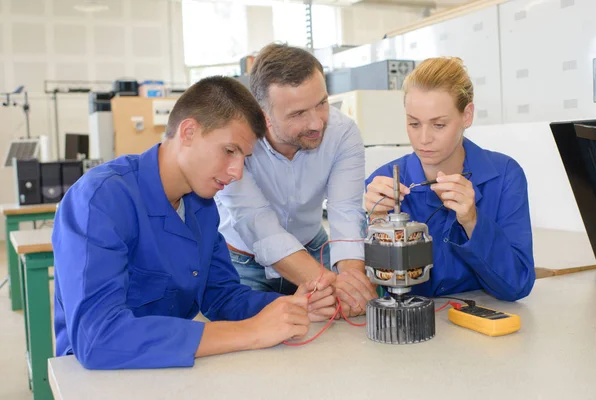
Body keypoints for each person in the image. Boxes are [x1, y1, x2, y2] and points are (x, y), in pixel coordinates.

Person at [52, 76, 336, 370]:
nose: (237, 172)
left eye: (244, 158)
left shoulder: (201, 205)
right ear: (188, 132)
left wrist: (290, 309)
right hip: (100, 378)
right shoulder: (100, 200)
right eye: (229, 150)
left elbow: (222, 295)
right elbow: (99, 338)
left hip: (170, 371)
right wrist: (250, 332)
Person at [215, 43, 378, 317]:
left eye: (322, 104)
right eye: (298, 114)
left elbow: (346, 213)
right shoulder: (234, 140)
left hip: (313, 249)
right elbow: (260, 225)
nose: (316, 123)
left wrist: (351, 282)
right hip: (242, 260)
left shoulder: (343, 133)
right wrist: (330, 283)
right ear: (263, 115)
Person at [364, 57, 535, 302]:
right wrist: (376, 222)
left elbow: (517, 285)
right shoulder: (382, 182)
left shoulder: (505, 175)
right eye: (413, 123)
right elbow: (366, 289)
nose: (423, 138)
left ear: (467, 115)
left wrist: (472, 221)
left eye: (439, 125)